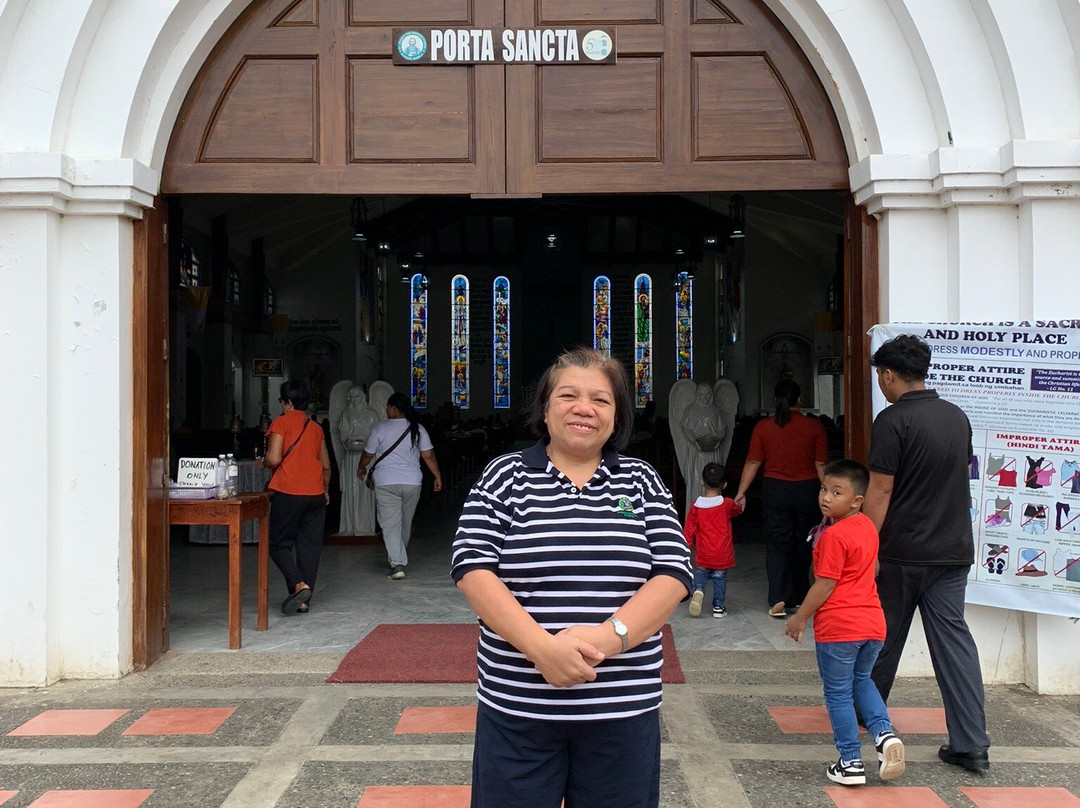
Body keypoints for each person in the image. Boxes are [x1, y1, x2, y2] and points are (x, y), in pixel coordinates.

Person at [451, 347, 692, 808]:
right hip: (518, 707)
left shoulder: (641, 481)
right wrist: (541, 649)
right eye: (568, 396)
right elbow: (471, 566)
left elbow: (674, 571)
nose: (584, 408)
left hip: (622, 709)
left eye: (601, 399)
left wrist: (606, 639)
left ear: (616, 416)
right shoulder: (505, 476)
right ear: (545, 409)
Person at [864, 334, 991, 772]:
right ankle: (971, 744)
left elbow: (880, 489)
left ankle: (867, 716)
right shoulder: (956, 416)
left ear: (888, 374)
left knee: (881, 638)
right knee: (955, 646)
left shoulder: (892, 421)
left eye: (879, 376)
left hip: (901, 551)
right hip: (952, 551)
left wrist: (867, 546)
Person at [785, 459, 906, 786]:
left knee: (838, 694)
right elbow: (873, 570)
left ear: (857, 501)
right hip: (873, 624)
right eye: (824, 489)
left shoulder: (833, 536)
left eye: (837, 492)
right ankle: (884, 735)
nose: (826, 497)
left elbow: (825, 583)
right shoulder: (868, 528)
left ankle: (850, 762)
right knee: (862, 680)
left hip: (840, 627)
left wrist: (800, 617)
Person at [734, 379, 828, 618]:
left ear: (775, 400)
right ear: (800, 400)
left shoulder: (763, 427)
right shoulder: (814, 427)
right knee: (804, 543)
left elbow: (753, 461)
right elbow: (820, 464)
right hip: (807, 491)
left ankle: (778, 598)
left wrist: (741, 492)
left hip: (775, 491)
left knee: (777, 545)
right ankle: (800, 595)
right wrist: (828, 492)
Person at [262, 380, 331, 615]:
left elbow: (274, 459)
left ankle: (299, 585)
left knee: (278, 544)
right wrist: (325, 490)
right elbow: (326, 466)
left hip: (289, 492)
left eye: (282, 401)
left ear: (288, 402)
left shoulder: (281, 422)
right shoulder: (316, 428)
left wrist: (263, 461)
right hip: (315, 495)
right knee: (309, 548)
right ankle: (303, 601)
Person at [356, 392, 442, 579]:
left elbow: (368, 454)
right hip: (412, 482)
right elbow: (428, 456)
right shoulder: (418, 429)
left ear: (394, 408)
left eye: (388, 407)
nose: (386, 410)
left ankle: (397, 564)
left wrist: (361, 467)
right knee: (405, 523)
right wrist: (437, 476)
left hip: (386, 482)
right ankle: (398, 558)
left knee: (390, 524)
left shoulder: (380, 428)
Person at [684, 462, 742, 618]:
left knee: (701, 572)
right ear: (724, 484)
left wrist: (686, 545)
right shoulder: (726, 504)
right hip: (722, 552)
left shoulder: (696, 506)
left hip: (704, 551)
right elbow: (736, 510)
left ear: (702, 482)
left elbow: (689, 528)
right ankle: (718, 607)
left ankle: (698, 590)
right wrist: (739, 506)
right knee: (719, 578)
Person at [335, 385, 379, 535]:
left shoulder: (372, 414)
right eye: (351, 397)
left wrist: (362, 439)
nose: (354, 400)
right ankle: (350, 526)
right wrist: (351, 439)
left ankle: (365, 526)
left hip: (367, 456)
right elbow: (343, 436)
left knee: (364, 488)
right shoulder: (346, 413)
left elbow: (376, 436)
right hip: (351, 455)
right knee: (351, 488)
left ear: (363, 397)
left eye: (357, 396)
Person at [678, 383, 726, 512]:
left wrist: (719, 439)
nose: (705, 397)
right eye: (702, 394)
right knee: (697, 480)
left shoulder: (717, 410)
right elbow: (685, 428)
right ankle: (696, 512)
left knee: (713, 478)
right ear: (698, 395)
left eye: (707, 394)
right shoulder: (691, 410)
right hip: (697, 451)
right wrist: (695, 441)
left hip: (712, 451)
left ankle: (713, 512)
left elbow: (723, 429)